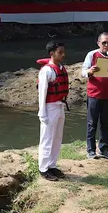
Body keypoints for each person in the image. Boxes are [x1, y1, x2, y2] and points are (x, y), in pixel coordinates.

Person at [81, 32, 108, 159]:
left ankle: (104, 149)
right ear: (98, 43)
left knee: (105, 123)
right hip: (94, 94)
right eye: (104, 42)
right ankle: (91, 150)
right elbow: (83, 72)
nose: (106, 45)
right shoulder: (92, 55)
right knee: (92, 123)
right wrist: (90, 71)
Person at [37, 41, 68, 182]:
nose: (63, 55)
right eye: (59, 52)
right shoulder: (47, 71)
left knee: (57, 138)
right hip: (50, 107)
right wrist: (42, 113)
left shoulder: (61, 68)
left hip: (60, 105)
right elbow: (42, 93)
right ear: (52, 53)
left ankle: (52, 165)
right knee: (47, 138)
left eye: (63, 52)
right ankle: (43, 168)